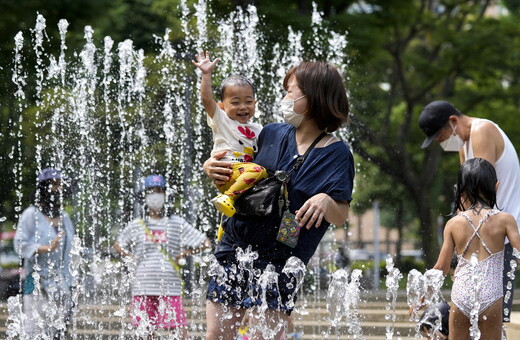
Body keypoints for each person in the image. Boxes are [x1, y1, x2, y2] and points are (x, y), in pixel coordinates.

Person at [203, 61, 354, 339]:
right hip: (235, 246)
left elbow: (341, 213)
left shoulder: (336, 154)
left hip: (281, 260)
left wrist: (325, 200)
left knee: (264, 335)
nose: (284, 98)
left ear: (313, 98)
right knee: (216, 335)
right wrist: (212, 168)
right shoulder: (270, 133)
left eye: (290, 91)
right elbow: (237, 171)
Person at [419, 100, 520, 323]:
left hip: (498, 236)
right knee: (473, 319)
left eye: (440, 136)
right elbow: (465, 200)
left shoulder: (482, 130)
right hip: (479, 236)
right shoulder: (465, 145)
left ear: (453, 121)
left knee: (489, 321)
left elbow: (480, 191)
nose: (440, 142)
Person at [113, 174, 211, 338]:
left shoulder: (176, 222)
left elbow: (205, 243)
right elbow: (118, 244)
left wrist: (184, 253)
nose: (155, 195)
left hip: (169, 286)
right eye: (151, 191)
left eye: (159, 191)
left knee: (178, 330)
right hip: (142, 285)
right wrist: (130, 258)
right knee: (145, 331)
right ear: (144, 196)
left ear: (166, 195)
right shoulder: (137, 224)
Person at [432, 158, 520, 339]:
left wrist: (424, 295)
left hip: (462, 293)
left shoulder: (453, 223)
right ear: (496, 187)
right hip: (492, 294)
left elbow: (441, 268)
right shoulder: (506, 220)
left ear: (461, 189)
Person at [192, 51, 268, 218]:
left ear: (255, 104)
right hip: (228, 171)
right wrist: (206, 74)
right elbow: (206, 99)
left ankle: (225, 222)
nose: (243, 107)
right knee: (260, 171)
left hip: (243, 176)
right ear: (222, 106)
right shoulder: (222, 120)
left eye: (248, 102)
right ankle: (227, 197)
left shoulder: (259, 128)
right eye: (235, 102)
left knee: (235, 215)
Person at [14, 168, 75, 338]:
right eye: (54, 185)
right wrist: (46, 248)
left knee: (58, 332)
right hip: (37, 284)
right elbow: (19, 244)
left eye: (60, 186)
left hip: (62, 285)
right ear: (43, 189)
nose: (58, 190)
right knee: (34, 332)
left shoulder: (65, 218)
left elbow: (71, 252)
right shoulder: (30, 214)